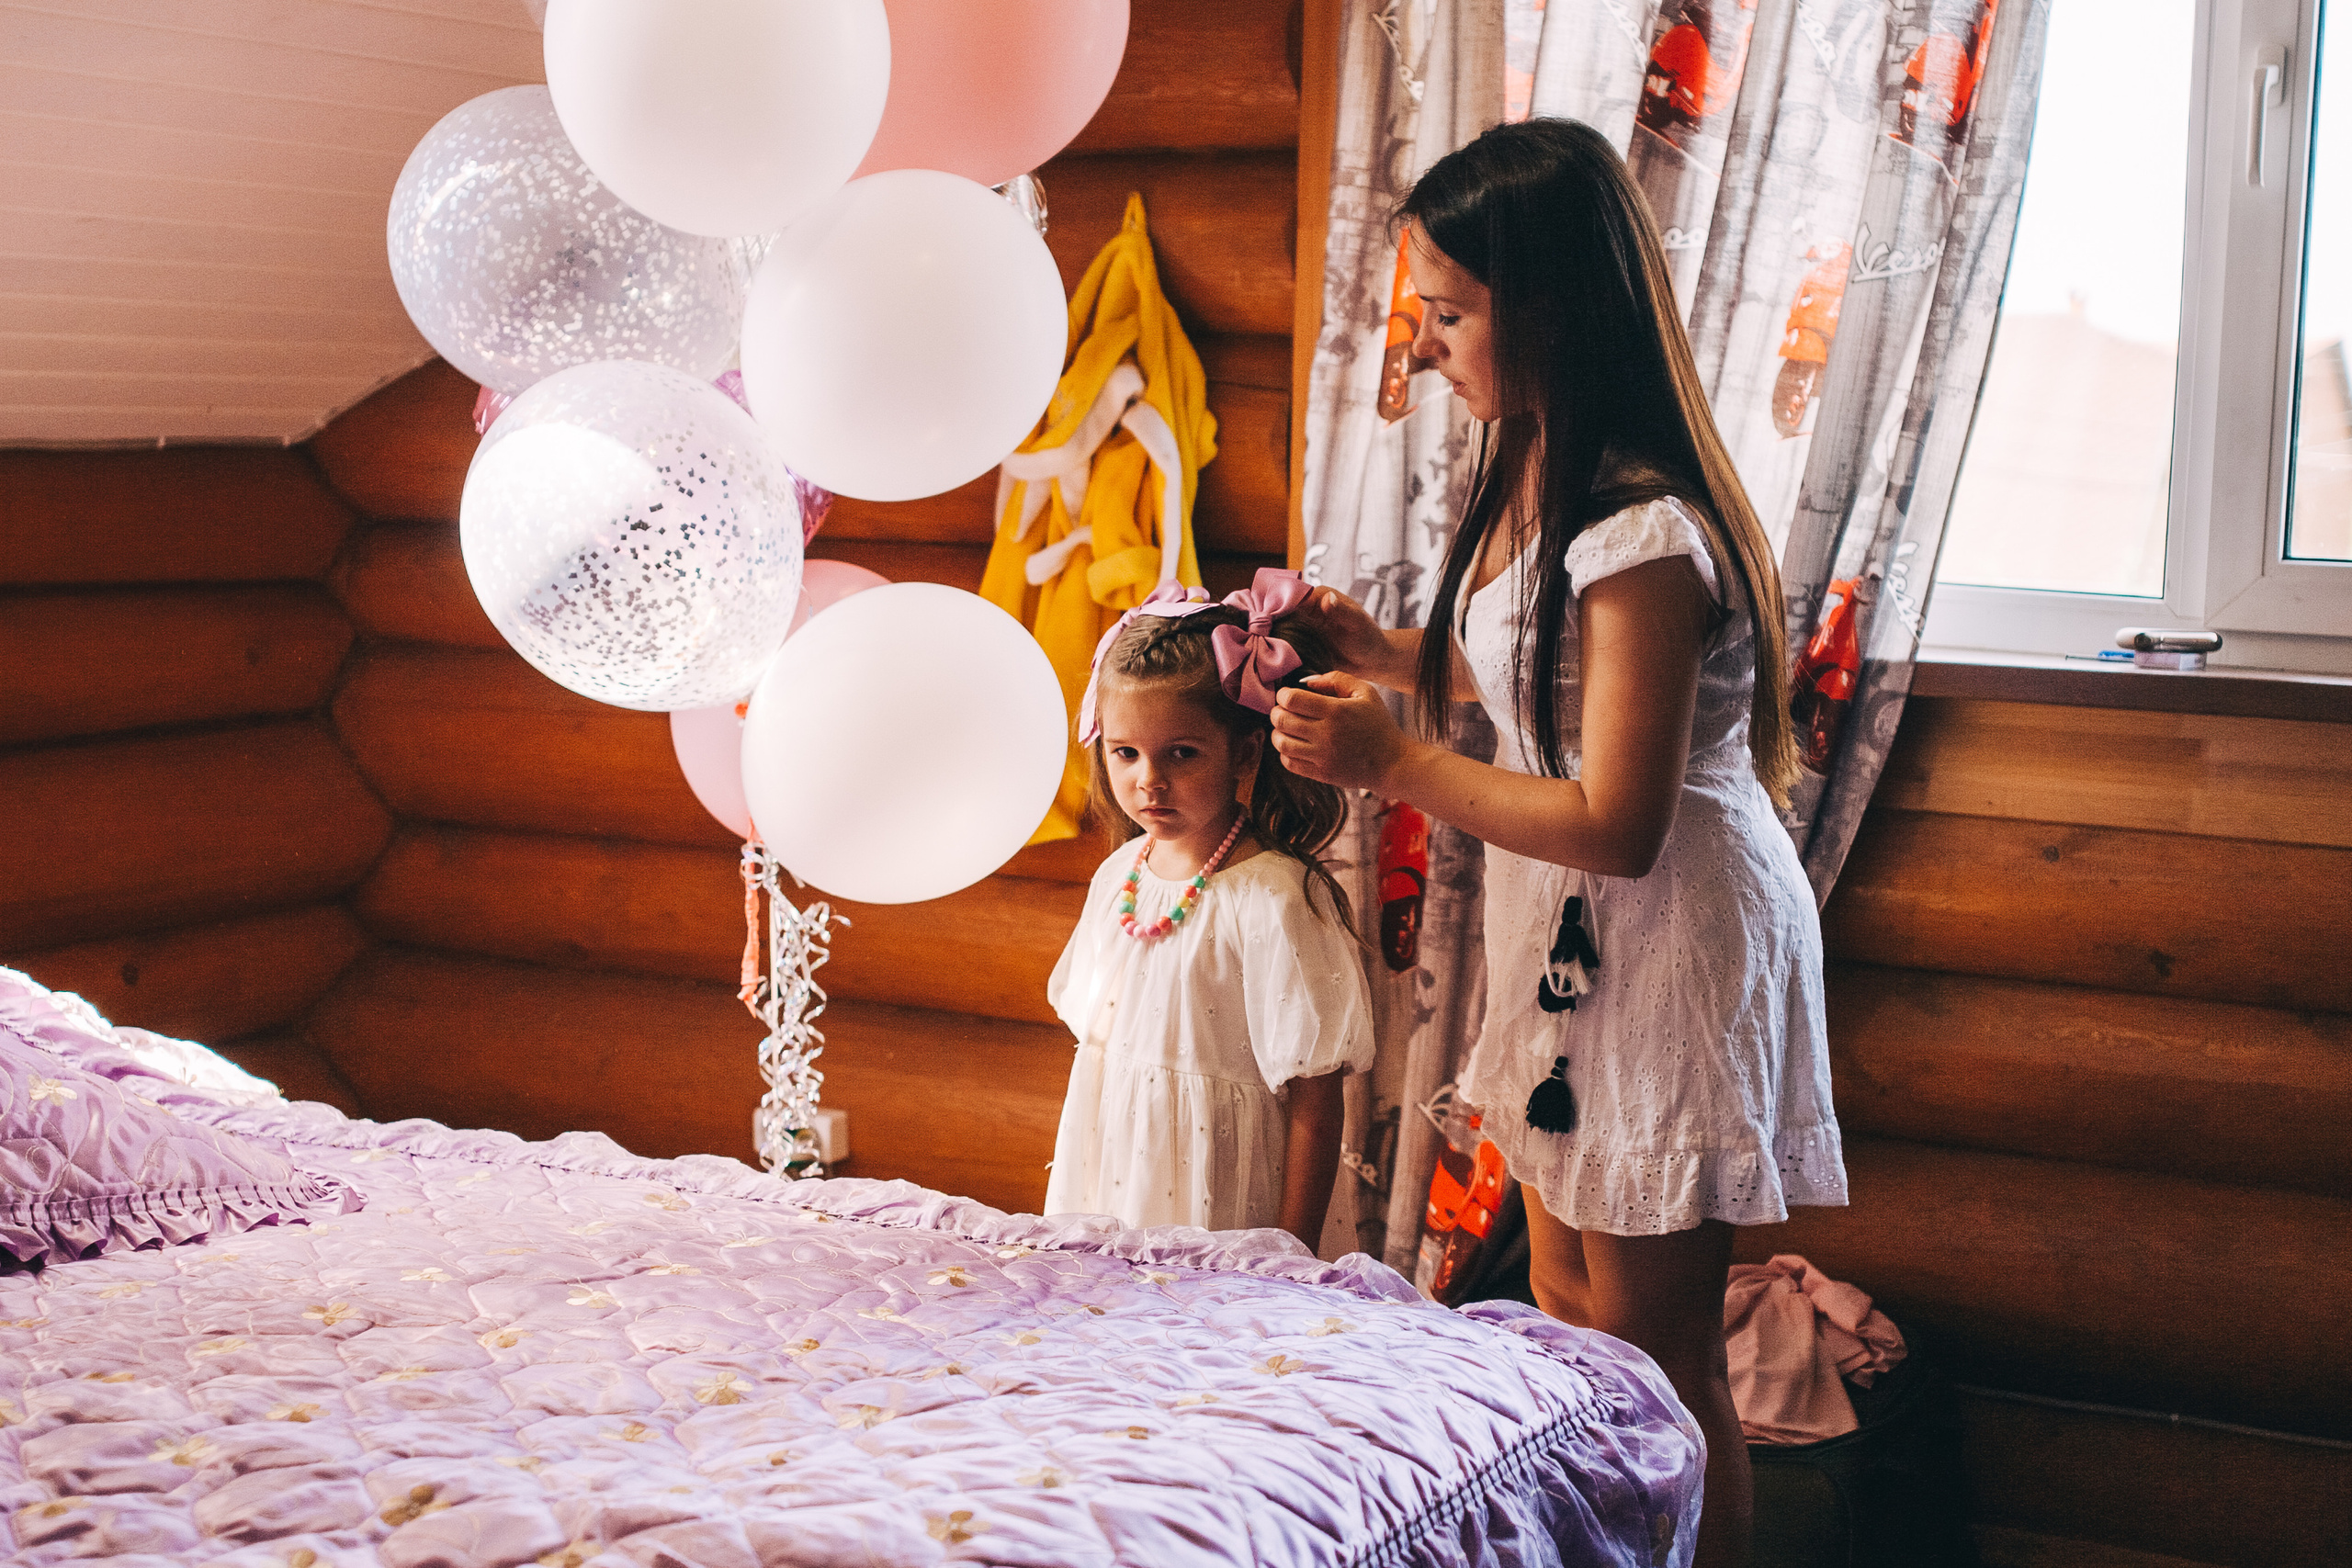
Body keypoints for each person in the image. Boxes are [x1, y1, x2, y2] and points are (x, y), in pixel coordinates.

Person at [1271, 118, 1848, 1566]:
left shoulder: (1642, 524)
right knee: (1575, 1305)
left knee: (1656, 1355)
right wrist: (1392, 655)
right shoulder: (1532, 461)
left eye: (1452, 312)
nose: (1426, 345)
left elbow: (1619, 814)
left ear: (1551, 308)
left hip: (1664, 927)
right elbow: (1527, 678)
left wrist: (1395, 763)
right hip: (1572, 930)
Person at [1042, 570, 1374, 1254]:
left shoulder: (1275, 899)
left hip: (1224, 1196)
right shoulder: (1117, 879)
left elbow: (1316, 1096)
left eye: (1181, 754)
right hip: (1117, 1181)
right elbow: (1106, 1067)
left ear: (1244, 751)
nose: (1148, 780)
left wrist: (1291, 1251)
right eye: (1125, 753)